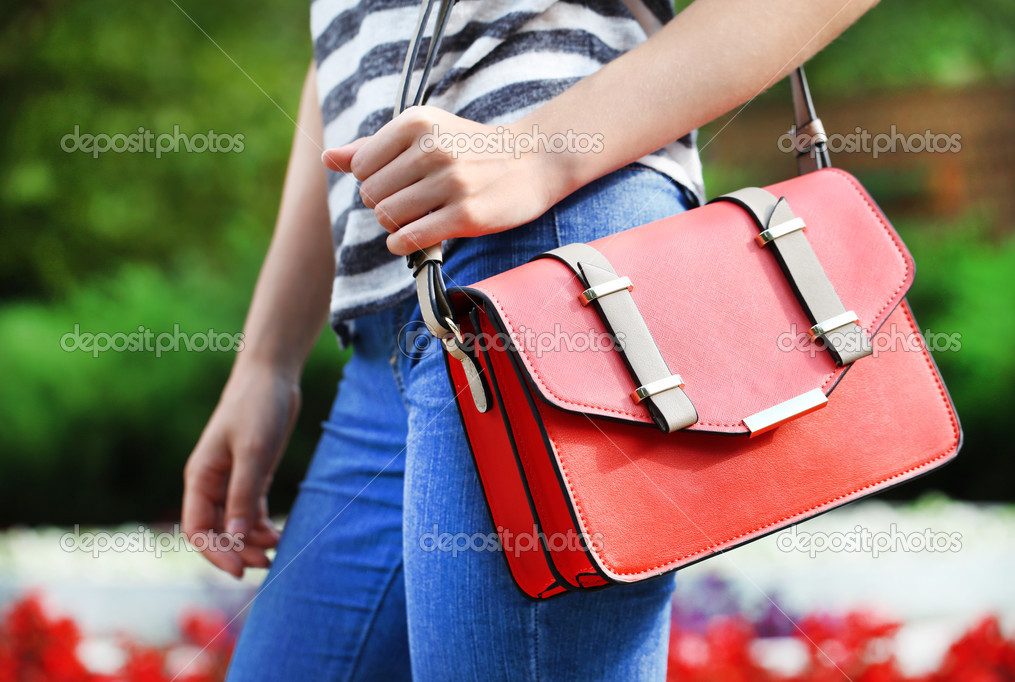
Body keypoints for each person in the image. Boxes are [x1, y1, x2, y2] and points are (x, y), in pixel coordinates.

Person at [182, 0, 879, 678]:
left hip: (554, 258)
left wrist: (535, 152)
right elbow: (352, 50)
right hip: (391, 320)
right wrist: (265, 361)